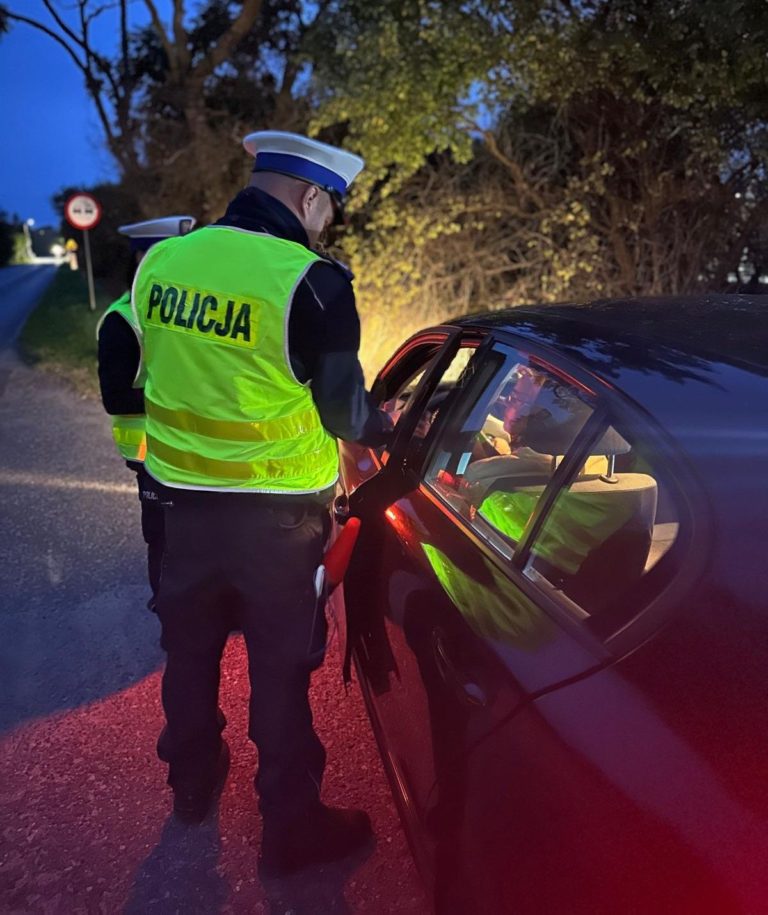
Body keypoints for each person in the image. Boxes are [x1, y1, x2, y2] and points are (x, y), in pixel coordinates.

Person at [131, 131, 393, 874]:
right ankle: (290, 826)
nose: (326, 225)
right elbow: (345, 414)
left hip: (179, 509)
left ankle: (191, 781)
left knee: (188, 650)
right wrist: (388, 424)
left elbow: (164, 370)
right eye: (328, 211)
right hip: (277, 523)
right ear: (311, 198)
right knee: (280, 668)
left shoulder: (163, 262)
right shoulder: (311, 282)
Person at [97, 216, 196, 610]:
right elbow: (116, 397)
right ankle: (168, 606)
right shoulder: (123, 321)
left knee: (200, 534)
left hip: (195, 446)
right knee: (165, 537)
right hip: (151, 450)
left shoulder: (183, 310)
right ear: (145, 259)